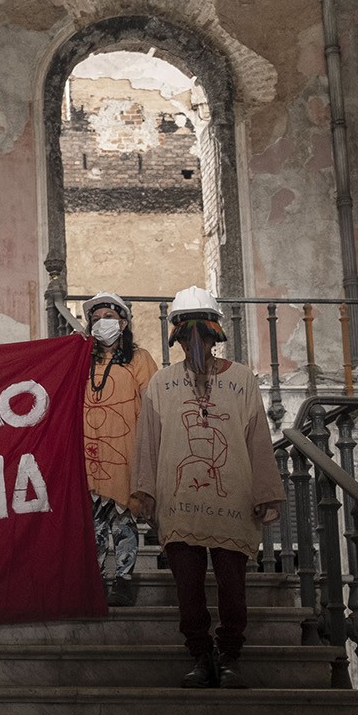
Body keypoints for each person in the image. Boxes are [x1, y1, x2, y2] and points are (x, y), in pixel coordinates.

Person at [130, 286, 283, 689]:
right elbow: (148, 441)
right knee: (188, 587)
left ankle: (229, 655)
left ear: (215, 335)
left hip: (232, 497)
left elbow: (257, 438)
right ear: (177, 339)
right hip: (179, 500)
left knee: (233, 586)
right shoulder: (161, 383)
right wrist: (145, 491)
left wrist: (265, 492)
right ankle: (200, 655)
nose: (194, 342)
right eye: (186, 335)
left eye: (201, 333)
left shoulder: (242, 379)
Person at [80, 291, 158, 607]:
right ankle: (95, 580)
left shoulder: (139, 359)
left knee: (123, 520)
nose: (102, 324)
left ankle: (123, 580)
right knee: (93, 524)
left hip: (126, 452)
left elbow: (152, 406)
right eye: (96, 319)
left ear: (123, 323)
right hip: (88, 452)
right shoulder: (81, 358)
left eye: (109, 317)